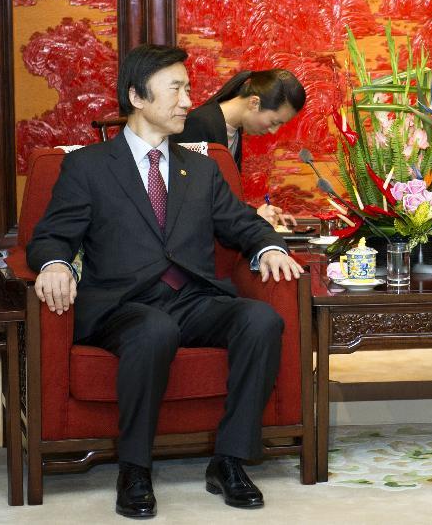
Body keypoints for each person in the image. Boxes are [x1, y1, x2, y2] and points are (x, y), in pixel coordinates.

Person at [27, 44, 303, 518]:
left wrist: (269, 246)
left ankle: (230, 460)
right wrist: (53, 264)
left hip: (191, 298)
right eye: (176, 88)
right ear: (137, 95)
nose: (186, 101)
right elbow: (49, 236)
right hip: (123, 306)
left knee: (259, 319)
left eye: (188, 88)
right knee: (155, 329)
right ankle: (134, 468)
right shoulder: (87, 167)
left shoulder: (201, 168)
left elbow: (240, 222)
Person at [172, 68, 307, 228]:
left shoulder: (234, 131)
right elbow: (195, 202)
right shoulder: (199, 125)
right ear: (254, 103)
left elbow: (223, 197)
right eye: (274, 122)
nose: (273, 131)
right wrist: (254, 216)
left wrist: (256, 214)